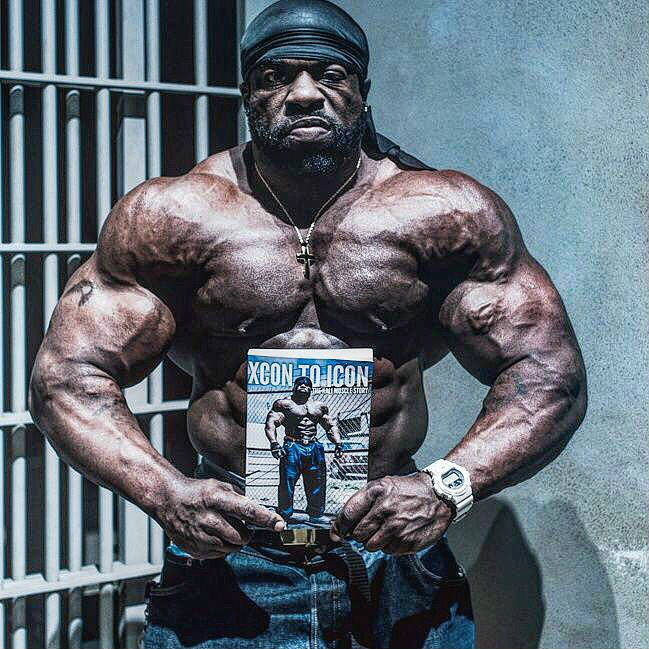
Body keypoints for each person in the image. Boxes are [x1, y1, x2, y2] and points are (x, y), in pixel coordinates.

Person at [28, 0, 587, 647]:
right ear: (245, 93)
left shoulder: (443, 212)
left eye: (328, 73)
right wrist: (164, 493)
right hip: (235, 562)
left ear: (361, 91)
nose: (300, 94)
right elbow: (68, 376)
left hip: (389, 553)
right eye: (274, 77)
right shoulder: (173, 219)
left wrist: (445, 488)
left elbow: (549, 374)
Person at [265, 376, 344, 522]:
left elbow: (330, 425)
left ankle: (315, 516)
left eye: (307, 385)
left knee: (317, 481)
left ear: (311, 390)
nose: (304, 386)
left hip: (314, 446)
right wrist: (274, 443)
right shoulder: (284, 404)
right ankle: (285, 515)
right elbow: (271, 422)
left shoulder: (319, 406)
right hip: (293, 445)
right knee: (287, 482)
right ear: (293, 387)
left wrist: (338, 443)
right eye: (300, 384)